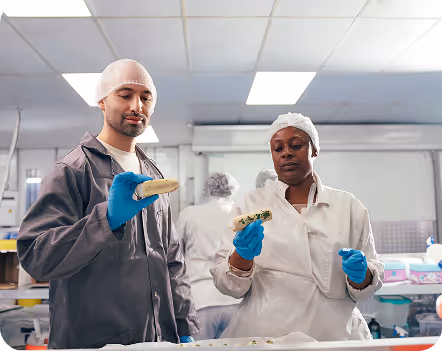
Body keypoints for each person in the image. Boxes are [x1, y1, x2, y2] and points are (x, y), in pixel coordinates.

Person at [17, 59, 199, 349]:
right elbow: (35, 255)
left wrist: (183, 322)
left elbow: (172, 259)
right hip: (92, 340)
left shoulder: (153, 174)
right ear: (102, 101)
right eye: (125, 95)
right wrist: (106, 220)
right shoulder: (73, 170)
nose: (137, 106)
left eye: (145, 97)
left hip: (155, 339)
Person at [210, 113, 384, 342]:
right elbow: (227, 285)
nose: (286, 153)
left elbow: (370, 278)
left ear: (314, 150)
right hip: (266, 335)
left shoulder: (348, 206)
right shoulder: (251, 204)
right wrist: (241, 257)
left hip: (333, 336)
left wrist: (360, 276)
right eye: (277, 148)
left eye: (296, 145)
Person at [176, 173, 240, 340]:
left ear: (207, 189)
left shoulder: (189, 213)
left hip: (200, 298)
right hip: (235, 298)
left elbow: (174, 254)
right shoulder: (239, 213)